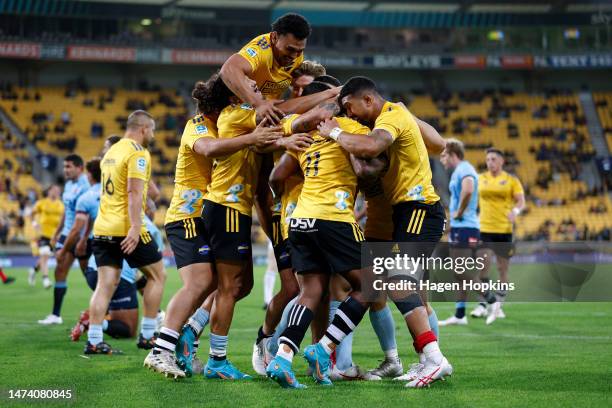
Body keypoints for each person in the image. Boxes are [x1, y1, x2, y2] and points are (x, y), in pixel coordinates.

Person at [316, 76, 452, 388]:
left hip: (419, 208)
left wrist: (333, 131)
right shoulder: (385, 119)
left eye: (351, 108)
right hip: (401, 214)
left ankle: (434, 359)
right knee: (385, 285)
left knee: (401, 283)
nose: (350, 116)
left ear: (367, 100)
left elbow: (376, 147)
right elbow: (368, 165)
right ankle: (421, 359)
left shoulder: (390, 116)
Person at [146, 74, 283, 378]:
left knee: (238, 284)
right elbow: (208, 149)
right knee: (201, 283)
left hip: (209, 214)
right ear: (230, 99)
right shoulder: (198, 125)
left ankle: (188, 334)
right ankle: (163, 348)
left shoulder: (232, 122)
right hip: (188, 214)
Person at [86, 110, 166, 355]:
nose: (152, 134)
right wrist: (133, 227)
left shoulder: (110, 152)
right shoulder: (138, 153)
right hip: (126, 228)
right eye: (151, 130)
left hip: (102, 227)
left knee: (105, 285)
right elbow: (133, 192)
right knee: (158, 276)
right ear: (143, 129)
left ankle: (94, 340)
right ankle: (148, 335)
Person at [438, 139, 498, 326]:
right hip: (461, 226)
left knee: (460, 270)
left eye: (444, 155)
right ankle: (459, 314)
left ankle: (491, 300)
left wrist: (460, 213)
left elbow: (469, 189)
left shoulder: (465, 169)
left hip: (465, 227)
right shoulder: (460, 170)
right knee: (459, 273)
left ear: (453, 154)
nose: (441, 159)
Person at [220, 13, 311, 124]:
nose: (294, 56)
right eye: (290, 49)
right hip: (236, 118)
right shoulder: (261, 51)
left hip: (267, 117)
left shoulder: (296, 56)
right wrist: (258, 104)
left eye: (300, 50)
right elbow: (228, 69)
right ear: (274, 37)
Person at [473, 148, 525, 322]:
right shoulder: (480, 179)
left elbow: (520, 200)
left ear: (501, 161)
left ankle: (498, 305)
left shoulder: (511, 180)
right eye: (488, 159)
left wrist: (515, 211)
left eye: (493, 159)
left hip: (503, 230)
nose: (490, 162)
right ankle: (482, 304)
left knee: (503, 269)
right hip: (484, 229)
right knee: (483, 266)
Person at [38, 155, 90, 325]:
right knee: (59, 270)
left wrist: (83, 237)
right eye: (64, 166)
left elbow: (88, 213)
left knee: (89, 276)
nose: (65, 170)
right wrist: (57, 232)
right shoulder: (67, 185)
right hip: (66, 233)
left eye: (69, 167)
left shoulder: (86, 185)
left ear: (80, 168)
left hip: (81, 236)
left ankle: (106, 310)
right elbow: (66, 212)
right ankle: (55, 315)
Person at [29, 185, 63, 289]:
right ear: (49, 191)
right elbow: (32, 214)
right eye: (54, 190)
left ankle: (33, 270)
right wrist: (34, 223)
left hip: (55, 236)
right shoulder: (42, 203)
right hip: (43, 234)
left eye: (57, 190)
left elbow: (63, 220)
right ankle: (45, 279)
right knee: (45, 254)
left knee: (45, 257)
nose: (56, 192)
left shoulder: (61, 205)